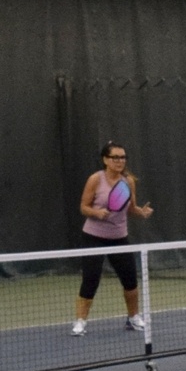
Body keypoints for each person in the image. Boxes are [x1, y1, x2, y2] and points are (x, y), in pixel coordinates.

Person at [71, 141, 154, 336]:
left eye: (122, 157)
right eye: (115, 157)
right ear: (105, 160)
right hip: (93, 237)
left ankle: (133, 318)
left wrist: (140, 212)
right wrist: (97, 213)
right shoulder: (95, 179)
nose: (120, 161)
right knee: (90, 280)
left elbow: (130, 207)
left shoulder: (128, 181)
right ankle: (80, 322)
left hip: (119, 237)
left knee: (130, 281)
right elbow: (83, 207)